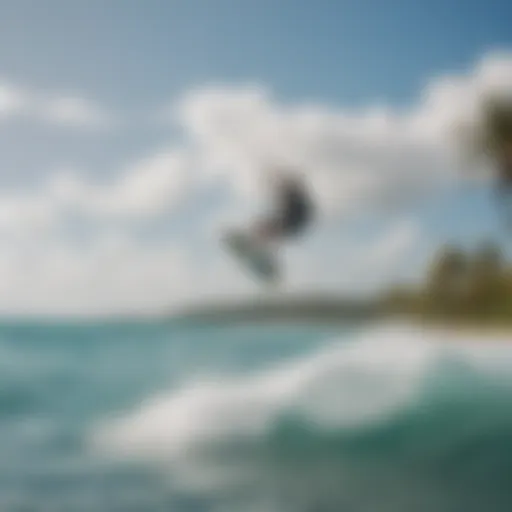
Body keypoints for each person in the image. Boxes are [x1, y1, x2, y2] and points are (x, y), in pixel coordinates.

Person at [249, 169, 313, 245]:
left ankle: (258, 237)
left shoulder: (290, 221)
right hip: (296, 211)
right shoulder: (290, 221)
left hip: (296, 211)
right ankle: (257, 236)